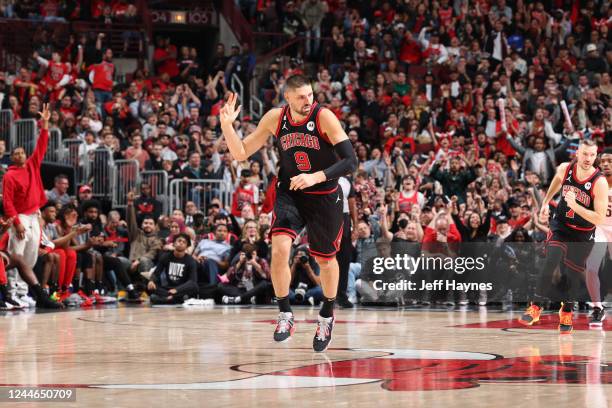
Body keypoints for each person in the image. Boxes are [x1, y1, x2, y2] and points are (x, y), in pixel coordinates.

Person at [220, 74, 357, 352]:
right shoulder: (275, 118)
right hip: (290, 191)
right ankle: (285, 313)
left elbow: (350, 161)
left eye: (310, 95)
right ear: (288, 99)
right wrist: (227, 127)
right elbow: (242, 153)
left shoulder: (324, 117)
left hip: (324, 195)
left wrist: (316, 176)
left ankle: (327, 315)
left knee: (325, 260)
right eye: (302, 97)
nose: (309, 101)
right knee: (280, 249)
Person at [519, 140, 608, 333]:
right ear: (578, 152)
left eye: (592, 155)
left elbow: (599, 217)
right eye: (585, 154)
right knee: (551, 260)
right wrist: (545, 203)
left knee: (572, 274)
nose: (588, 159)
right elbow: (556, 182)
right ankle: (535, 306)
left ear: (595, 156)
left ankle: (566, 310)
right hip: (561, 225)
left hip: (583, 233)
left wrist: (576, 206)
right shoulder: (565, 169)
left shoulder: (599, 182)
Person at [2, 103, 52, 305]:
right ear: (12, 157)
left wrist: (45, 124)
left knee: (31, 254)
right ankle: (12, 292)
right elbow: (7, 202)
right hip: (21, 217)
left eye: (23, 152)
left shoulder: (32, 164)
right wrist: (17, 223)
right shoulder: (9, 176)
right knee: (17, 254)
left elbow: (41, 145)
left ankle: (24, 292)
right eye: (16, 154)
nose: (21, 155)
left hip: (34, 214)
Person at [584, 148, 612, 326]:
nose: (606, 164)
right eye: (603, 161)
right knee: (591, 267)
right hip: (600, 229)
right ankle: (597, 308)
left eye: (610, 161)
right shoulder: (593, 183)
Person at [147, 233, 198, 305]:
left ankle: (165, 299)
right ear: (174, 243)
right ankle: (174, 299)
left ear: (187, 246)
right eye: (179, 241)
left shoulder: (190, 260)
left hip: (181, 289)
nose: (181, 243)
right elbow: (156, 273)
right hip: (168, 289)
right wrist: (151, 281)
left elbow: (192, 281)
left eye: (184, 242)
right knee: (150, 286)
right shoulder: (166, 256)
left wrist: (177, 290)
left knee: (195, 287)